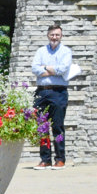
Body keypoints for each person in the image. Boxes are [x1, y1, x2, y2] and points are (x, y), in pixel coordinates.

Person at [30, 23, 72, 169]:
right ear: (48, 35)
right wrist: (53, 69)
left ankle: (60, 159)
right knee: (42, 127)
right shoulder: (41, 51)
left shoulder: (66, 51)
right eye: (52, 35)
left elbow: (63, 68)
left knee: (58, 127)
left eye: (57, 35)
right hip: (42, 92)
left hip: (58, 92)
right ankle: (45, 159)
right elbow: (34, 68)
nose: (55, 37)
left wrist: (45, 67)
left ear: (61, 36)